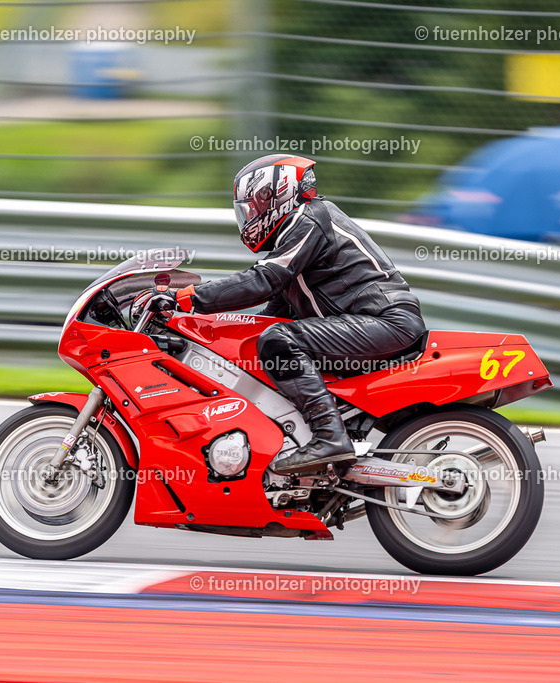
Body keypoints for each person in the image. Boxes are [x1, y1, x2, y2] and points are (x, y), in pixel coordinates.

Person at [169, 154, 426, 474]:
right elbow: (269, 314)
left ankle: (329, 436)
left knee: (279, 340)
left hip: (385, 321)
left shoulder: (310, 218)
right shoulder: (295, 238)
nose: (250, 217)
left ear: (275, 195)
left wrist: (187, 298)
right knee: (266, 339)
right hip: (374, 323)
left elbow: (264, 280)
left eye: (253, 208)